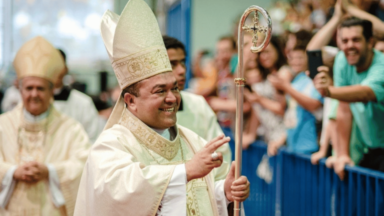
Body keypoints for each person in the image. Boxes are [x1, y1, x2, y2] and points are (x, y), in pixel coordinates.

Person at [74, 1, 250, 215]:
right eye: (160, 91)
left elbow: (195, 200)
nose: (172, 98)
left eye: (174, 88)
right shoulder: (112, 145)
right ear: (130, 100)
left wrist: (224, 193)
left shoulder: (192, 141)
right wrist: (185, 172)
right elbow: (119, 196)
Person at [0, 36, 90, 215]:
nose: (34, 94)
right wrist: (11, 172)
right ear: (20, 89)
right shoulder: (3, 124)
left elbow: (85, 167)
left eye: (40, 88)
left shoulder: (71, 129)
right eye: (29, 88)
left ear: (51, 91)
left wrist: (50, 171)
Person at [313, 17, 384, 179]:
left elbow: (366, 92)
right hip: (370, 149)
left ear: (370, 42)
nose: (349, 45)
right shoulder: (342, 60)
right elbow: (343, 109)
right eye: (344, 41)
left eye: (356, 40)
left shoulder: (381, 64)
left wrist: (329, 91)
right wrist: (343, 154)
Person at [163, 35, 232, 164]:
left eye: (183, 62)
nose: (182, 70)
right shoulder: (143, 110)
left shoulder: (198, 104)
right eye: (172, 64)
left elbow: (221, 152)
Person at [269, 45, 323, 155]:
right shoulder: (295, 81)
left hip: (310, 145)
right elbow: (291, 115)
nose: (296, 61)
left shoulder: (313, 79)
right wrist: (279, 141)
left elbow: (314, 104)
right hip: (293, 146)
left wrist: (286, 87)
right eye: (292, 58)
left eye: (300, 58)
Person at [53, 49, 101, 143]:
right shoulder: (35, 104)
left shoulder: (83, 103)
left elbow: (93, 139)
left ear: (66, 69)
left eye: (58, 65)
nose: (55, 70)